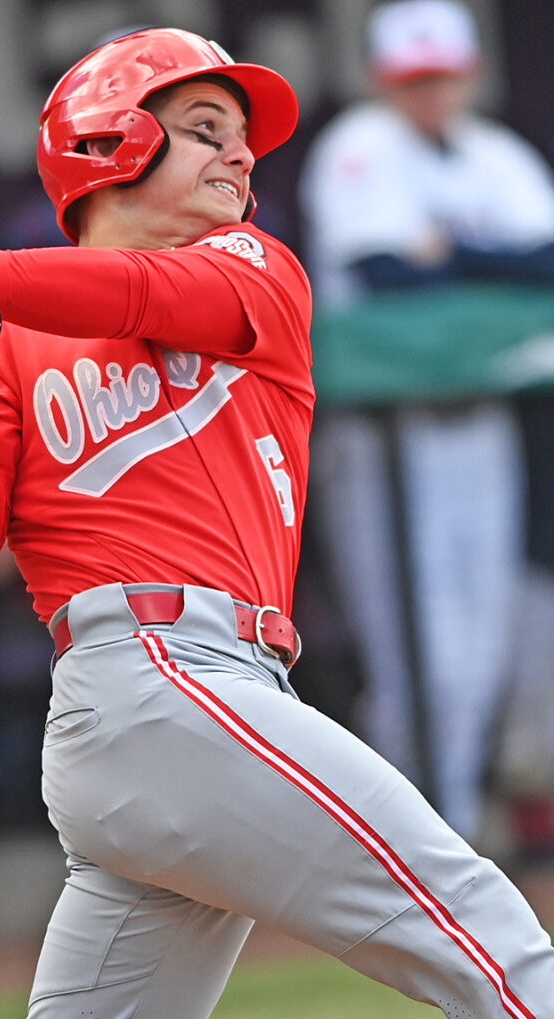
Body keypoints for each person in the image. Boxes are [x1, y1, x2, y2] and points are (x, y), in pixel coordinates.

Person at [0, 26, 554, 1019]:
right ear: (110, 145)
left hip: (211, 694)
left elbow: (140, 289)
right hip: (148, 682)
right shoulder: (6, 338)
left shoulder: (252, 264)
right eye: (204, 130)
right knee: (488, 940)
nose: (240, 154)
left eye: (238, 136)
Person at [298, 0, 554, 843]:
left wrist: (454, 255)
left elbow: (544, 261)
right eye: (413, 80)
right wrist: (488, 274)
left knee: (480, 648)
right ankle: (405, 843)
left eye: (440, 77)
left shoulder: (496, 156)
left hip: (479, 424)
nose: (429, 94)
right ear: (382, 79)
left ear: (466, 72)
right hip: (383, 438)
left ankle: (440, 838)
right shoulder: (357, 149)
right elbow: (382, 275)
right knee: (416, 658)